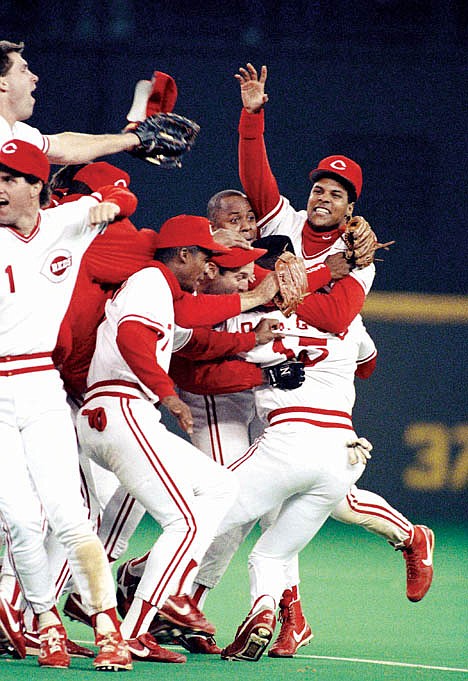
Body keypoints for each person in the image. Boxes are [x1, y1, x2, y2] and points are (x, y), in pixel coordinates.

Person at [75, 214, 280, 662]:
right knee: (184, 522)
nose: (209, 266)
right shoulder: (151, 279)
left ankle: (91, 608)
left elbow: (194, 329)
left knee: (219, 486)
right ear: (183, 254)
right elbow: (132, 336)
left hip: (116, 414)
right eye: (205, 256)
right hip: (123, 408)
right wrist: (169, 395)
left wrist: (249, 325)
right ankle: (132, 628)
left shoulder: (166, 293)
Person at [0, 140, 136, 671]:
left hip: (40, 387)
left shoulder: (65, 222)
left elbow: (123, 197)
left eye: (12, 178)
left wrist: (110, 205)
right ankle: (46, 622)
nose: (1, 186)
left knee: (68, 513)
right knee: (20, 521)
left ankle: (107, 625)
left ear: (38, 186)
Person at [0, 40, 145, 163]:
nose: (34, 77)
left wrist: (131, 140)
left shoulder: (16, 132)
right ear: (3, 82)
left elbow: (66, 147)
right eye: (23, 70)